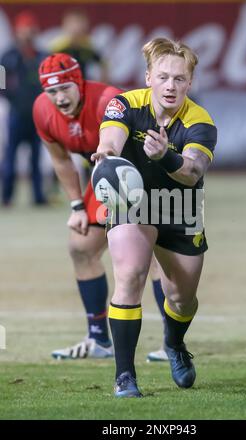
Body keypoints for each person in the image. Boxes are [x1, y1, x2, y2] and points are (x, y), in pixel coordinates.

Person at [91, 37, 217, 397]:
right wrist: (105, 155)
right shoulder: (124, 105)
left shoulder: (200, 121)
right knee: (130, 275)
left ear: (190, 83)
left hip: (179, 207)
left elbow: (193, 172)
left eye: (179, 79)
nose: (171, 86)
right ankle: (125, 376)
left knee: (181, 299)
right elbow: (111, 141)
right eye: (163, 77)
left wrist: (166, 156)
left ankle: (174, 343)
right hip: (132, 202)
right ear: (148, 77)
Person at [33, 52, 166, 360]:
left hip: (142, 172)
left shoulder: (108, 100)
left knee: (156, 257)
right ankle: (98, 341)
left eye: (65, 88)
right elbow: (60, 158)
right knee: (81, 247)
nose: (59, 97)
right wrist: (77, 205)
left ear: (79, 82)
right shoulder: (42, 110)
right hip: (107, 177)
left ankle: (171, 345)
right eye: (51, 91)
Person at [1, 11, 47, 206]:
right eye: (23, 29)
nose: (27, 33)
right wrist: (14, 99)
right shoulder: (8, 56)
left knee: (37, 159)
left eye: (30, 29)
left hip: (37, 116)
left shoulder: (43, 56)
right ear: (17, 31)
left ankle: (38, 197)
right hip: (17, 115)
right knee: (10, 156)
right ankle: (7, 197)